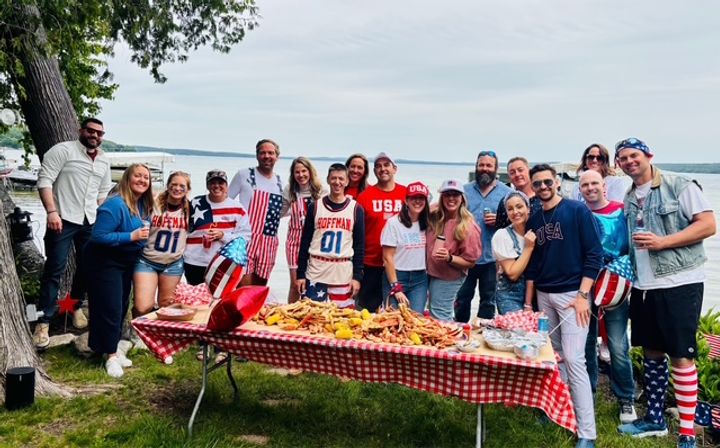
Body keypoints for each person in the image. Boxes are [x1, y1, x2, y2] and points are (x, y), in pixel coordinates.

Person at [615, 138, 715, 448]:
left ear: (648, 155)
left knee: (682, 357)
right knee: (652, 352)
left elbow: (708, 225)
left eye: (634, 155)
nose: (630, 162)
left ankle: (687, 433)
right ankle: (655, 419)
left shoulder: (679, 184)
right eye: (623, 158)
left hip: (679, 283)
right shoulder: (630, 197)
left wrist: (663, 242)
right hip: (645, 286)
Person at [524, 164, 603, 448]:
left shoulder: (577, 210)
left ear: (557, 182)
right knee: (554, 357)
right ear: (532, 188)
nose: (543, 187)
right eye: (537, 184)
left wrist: (584, 294)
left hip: (573, 295)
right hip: (544, 296)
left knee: (574, 359)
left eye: (547, 182)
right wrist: (529, 302)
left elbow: (595, 254)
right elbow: (533, 264)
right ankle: (559, 410)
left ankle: (587, 432)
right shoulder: (534, 219)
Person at [33, 117, 112, 348]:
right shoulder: (63, 151)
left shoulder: (104, 161)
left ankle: (74, 306)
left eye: (99, 133)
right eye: (90, 131)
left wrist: (99, 209)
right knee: (54, 268)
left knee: (87, 267)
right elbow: (45, 180)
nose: (95, 135)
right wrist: (51, 212)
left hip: (90, 221)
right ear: (81, 131)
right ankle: (44, 321)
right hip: (63, 218)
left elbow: (104, 188)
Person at [578, 170, 637, 424]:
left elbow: (632, 246)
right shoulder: (578, 213)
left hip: (615, 283)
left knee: (617, 344)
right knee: (586, 342)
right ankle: (587, 391)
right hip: (585, 283)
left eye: (594, 183)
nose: (590, 188)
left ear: (604, 186)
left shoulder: (621, 210)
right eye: (585, 184)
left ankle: (626, 398)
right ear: (580, 189)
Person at [86, 164, 153, 378]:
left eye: (146, 177)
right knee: (111, 308)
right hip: (104, 262)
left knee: (121, 306)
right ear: (127, 178)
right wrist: (131, 237)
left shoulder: (139, 205)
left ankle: (105, 348)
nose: (142, 180)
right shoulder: (115, 204)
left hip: (124, 262)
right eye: (138, 176)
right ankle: (112, 357)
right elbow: (98, 236)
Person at [296, 163, 364, 308]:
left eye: (341, 179)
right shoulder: (315, 206)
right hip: (316, 270)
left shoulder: (356, 209)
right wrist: (300, 274)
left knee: (342, 320)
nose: (337, 182)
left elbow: (359, 246)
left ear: (346, 182)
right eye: (333, 178)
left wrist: (357, 277)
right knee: (311, 316)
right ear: (327, 179)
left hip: (342, 272)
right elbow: (305, 242)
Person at [456, 150, 511, 322]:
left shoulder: (507, 193)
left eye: (489, 165)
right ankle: (460, 333)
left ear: (496, 168)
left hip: (492, 259)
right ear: (476, 167)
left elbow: (518, 221)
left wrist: (500, 220)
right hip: (466, 257)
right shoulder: (464, 191)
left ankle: (484, 336)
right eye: (481, 165)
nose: (484, 168)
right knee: (462, 299)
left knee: (488, 301)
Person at [133, 172, 191, 316]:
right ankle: (135, 330)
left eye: (182, 186)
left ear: (188, 189)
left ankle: (156, 335)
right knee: (143, 306)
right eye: (174, 184)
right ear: (168, 186)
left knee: (166, 305)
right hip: (147, 260)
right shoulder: (154, 202)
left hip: (173, 263)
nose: (177, 188)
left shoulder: (191, 209)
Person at [355, 152, 407, 311]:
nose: (382, 169)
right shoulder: (365, 197)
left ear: (395, 169)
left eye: (386, 165)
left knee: (397, 312)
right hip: (371, 264)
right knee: (366, 311)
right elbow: (356, 233)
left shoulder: (406, 194)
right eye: (378, 166)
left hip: (400, 264)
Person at [228, 139, 285, 286]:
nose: (267, 156)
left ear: (277, 157)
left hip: (268, 242)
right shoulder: (243, 175)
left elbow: (286, 210)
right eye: (263, 152)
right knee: (243, 286)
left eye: (271, 153)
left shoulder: (280, 183)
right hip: (246, 238)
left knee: (259, 289)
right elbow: (226, 202)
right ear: (257, 155)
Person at [426, 180, 481, 321]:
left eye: (455, 195)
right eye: (447, 194)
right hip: (430, 274)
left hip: (448, 277)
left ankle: (449, 341)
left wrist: (449, 257)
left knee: (440, 315)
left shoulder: (467, 226)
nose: (451, 198)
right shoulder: (436, 216)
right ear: (442, 197)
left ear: (462, 198)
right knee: (432, 312)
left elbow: (471, 262)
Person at [184, 170, 251, 285]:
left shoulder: (238, 208)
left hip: (222, 263)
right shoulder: (195, 203)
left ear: (226, 186)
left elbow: (245, 237)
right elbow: (183, 228)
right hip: (194, 261)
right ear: (207, 185)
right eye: (213, 183)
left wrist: (223, 236)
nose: (217, 186)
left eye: (221, 183)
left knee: (218, 299)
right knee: (195, 298)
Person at [282, 157, 327, 303]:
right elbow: (280, 212)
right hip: (295, 241)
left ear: (310, 171)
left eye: (304, 171)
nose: (301, 175)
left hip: (315, 242)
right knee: (296, 284)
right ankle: (290, 313)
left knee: (313, 283)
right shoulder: (290, 190)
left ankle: (309, 313)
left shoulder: (321, 191)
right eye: (297, 172)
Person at [381, 181, 430, 313]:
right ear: (406, 200)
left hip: (419, 279)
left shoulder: (427, 223)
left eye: (421, 198)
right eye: (413, 198)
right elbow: (387, 257)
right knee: (394, 320)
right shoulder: (394, 223)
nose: (417, 202)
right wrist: (395, 287)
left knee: (415, 318)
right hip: (397, 276)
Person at [491, 191, 536, 315]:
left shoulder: (538, 231)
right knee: (517, 333)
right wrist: (528, 248)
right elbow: (512, 273)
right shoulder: (502, 235)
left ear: (528, 209)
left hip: (538, 295)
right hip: (510, 297)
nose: (515, 212)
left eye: (519, 206)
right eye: (510, 209)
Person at [495, 156, 542, 229]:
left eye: (520, 170)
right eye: (512, 172)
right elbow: (500, 231)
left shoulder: (543, 198)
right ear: (509, 177)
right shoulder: (505, 202)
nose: (517, 174)